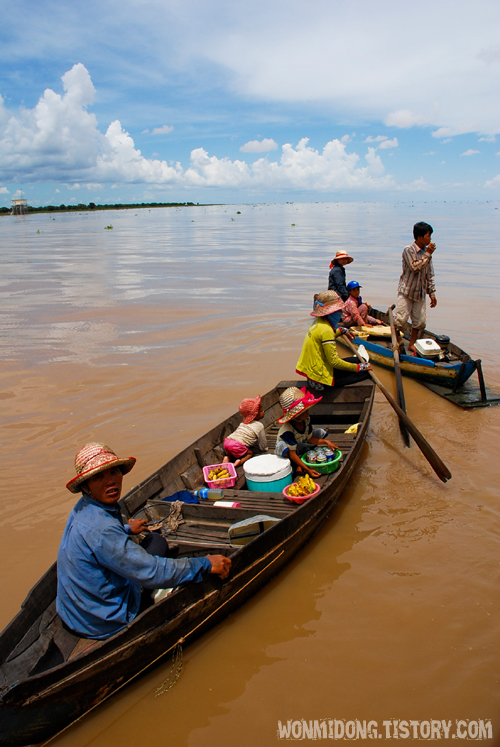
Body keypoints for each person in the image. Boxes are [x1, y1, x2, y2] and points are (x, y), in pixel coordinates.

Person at [57, 442, 231, 640]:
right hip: (106, 620)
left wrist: (126, 529)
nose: (110, 482)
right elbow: (151, 571)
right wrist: (204, 564)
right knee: (165, 556)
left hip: (75, 614)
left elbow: (98, 540)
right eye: (99, 477)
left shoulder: (83, 509)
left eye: (114, 472)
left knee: (155, 541)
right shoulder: (102, 529)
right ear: (85, 486)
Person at [295, 289, 372, 394]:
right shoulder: (326, 330)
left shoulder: (318, 322)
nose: (341, 313)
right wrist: (359, 368)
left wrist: (343, 331)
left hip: (313, 372)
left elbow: (325, 336)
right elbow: (334, 362)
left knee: (361, 360)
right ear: (330, 312)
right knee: (366, 372)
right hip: (320, 380)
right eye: (338, 311)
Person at [275, 386, 338, 478]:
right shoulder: (288, 430)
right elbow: (292, 454)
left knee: (320, 432)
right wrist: (308, 469)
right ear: (296, 415)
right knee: (284, 447)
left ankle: (301, 459)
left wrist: (326, 442)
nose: (307, 412)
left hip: (300, 443)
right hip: (289, 450)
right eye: (303, 411)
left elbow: (310, 439)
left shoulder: (306, 420)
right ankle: (298, 464)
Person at [394, 221, 437, 356]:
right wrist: (428, 254)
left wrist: (432, 293)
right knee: (400, 321)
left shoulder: (426, 253)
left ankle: (412, 344)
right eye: (428, 236)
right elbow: (415, 267)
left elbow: (429, 274)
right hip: (407, 291)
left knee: (420, 323)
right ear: (419, 237)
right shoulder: (408, 250)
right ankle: (396, 342)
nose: (430, 239)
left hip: (420, 293)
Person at [223, 395, 267, 467]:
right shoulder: (259, 425)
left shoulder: (243, 423)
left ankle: (227, 458)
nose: (263, 411)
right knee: (250, 453)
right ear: (255, 415)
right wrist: (264, 449)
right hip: (237, 445)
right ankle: (239, 462)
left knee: (232, 453)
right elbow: (262, 442)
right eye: (261, 411)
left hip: (227, 441)